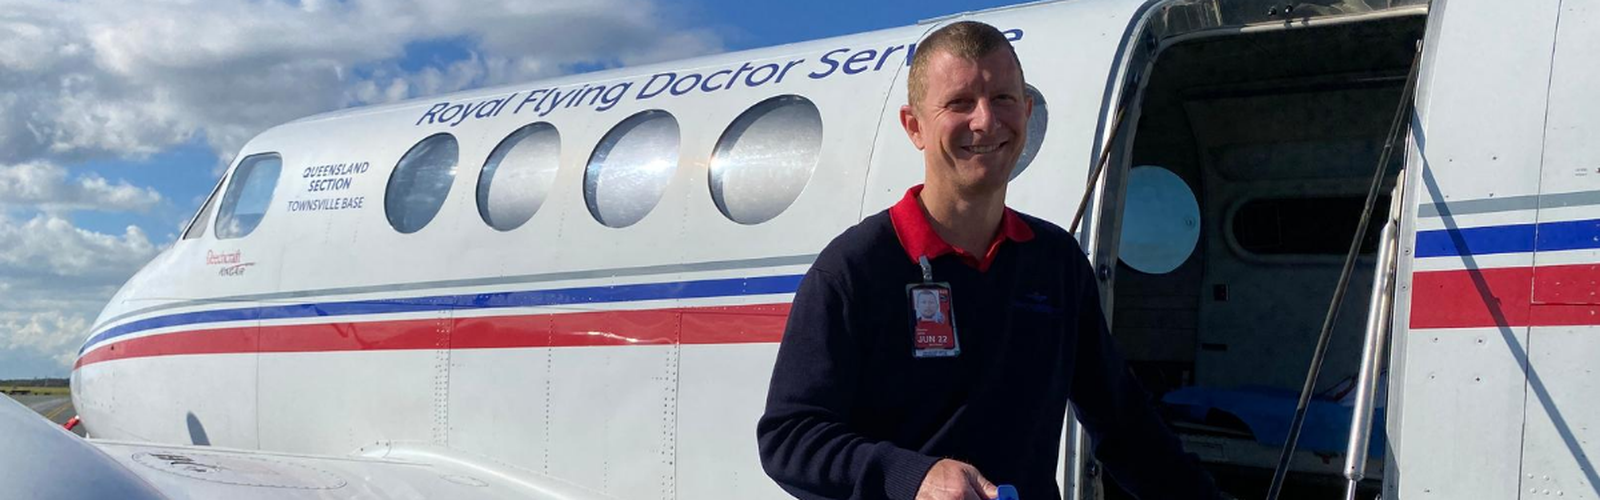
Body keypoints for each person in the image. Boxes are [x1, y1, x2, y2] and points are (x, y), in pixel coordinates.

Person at [756, 21, 1221, 500]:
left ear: (1027, 110)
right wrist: (914, 477)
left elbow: (1125, 425)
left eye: (1002, 99)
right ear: (914, 126)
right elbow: (790, 438)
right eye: (959, 103)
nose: (985, 121)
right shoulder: (856, 268)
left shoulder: (1056, 263)